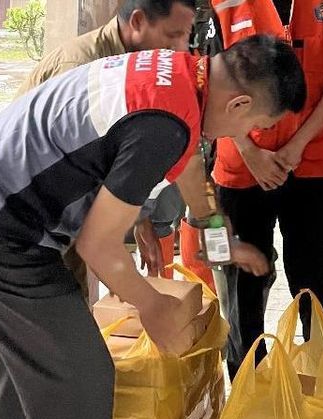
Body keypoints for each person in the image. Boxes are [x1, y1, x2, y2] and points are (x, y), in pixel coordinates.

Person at [0, 35, 305, 419]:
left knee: (24, 378)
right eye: (255, 125)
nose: (242, 135)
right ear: (240, 103)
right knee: (80, 383)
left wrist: (220, 244)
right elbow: (98, 245)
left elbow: (193, 178)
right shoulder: (165, 123)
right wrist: (152, 305)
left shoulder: (180, 77)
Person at [206, 0, 323, 379]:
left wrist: (297, 146)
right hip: (243, 166)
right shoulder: (224, 4)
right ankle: (248, 387)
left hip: (311, 163)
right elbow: (209, 82)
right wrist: (250, 151)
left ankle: (318, 387)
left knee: (318, 285)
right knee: (242, 289)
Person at [18, 0, 197, 294]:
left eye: (185, 37)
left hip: (62, 212)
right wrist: (114, 258)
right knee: (61, 305)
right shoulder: (81, 66)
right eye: (172, 36)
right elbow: (67, 171)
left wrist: (139, 219)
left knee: (77, 304)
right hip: (29, 217)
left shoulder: (133, 63)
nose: (180, 51)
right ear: (137, 22)